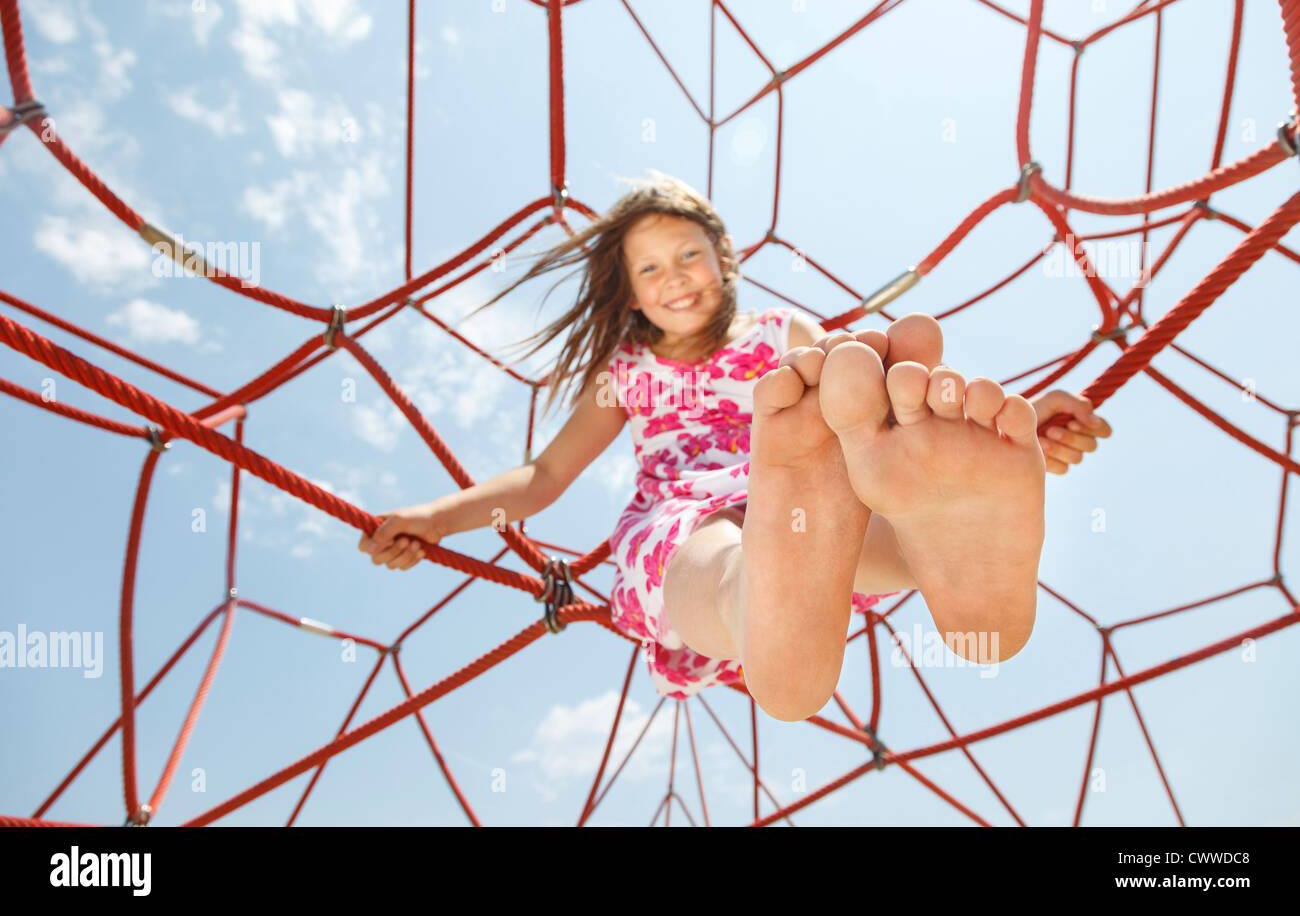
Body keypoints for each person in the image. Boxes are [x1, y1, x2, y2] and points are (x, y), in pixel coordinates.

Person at [357, 174, 1112, 721]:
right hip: (689, 506)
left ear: (723, 254)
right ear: (628, 294)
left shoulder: (785, 336)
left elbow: (889, 410)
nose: (674, 279)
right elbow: (545, 475)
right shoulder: (625, 372)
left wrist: (1022, 422)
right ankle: (772, 587)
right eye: (649, 270)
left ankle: (949, 544)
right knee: (710, 555)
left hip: (812, 487)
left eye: (687, 255)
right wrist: (439, 515)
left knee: (857, 473)